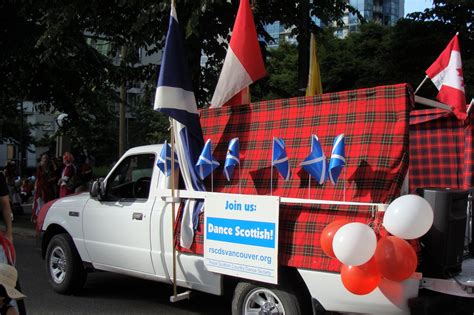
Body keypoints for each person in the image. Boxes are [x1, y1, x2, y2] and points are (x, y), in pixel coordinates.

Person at [31, 154, 55, 222]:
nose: (45, 159)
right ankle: (37, 216)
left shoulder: (50, 167)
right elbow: (38, 177)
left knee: (46, 201)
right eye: (44, 158)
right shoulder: (40, 167)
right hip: (40, 186)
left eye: (47, 158)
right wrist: (35, 186)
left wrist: (51, 179)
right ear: (42, 159)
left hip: (48, 187)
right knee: (39, 201)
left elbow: (53, 175)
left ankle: (44, 215)